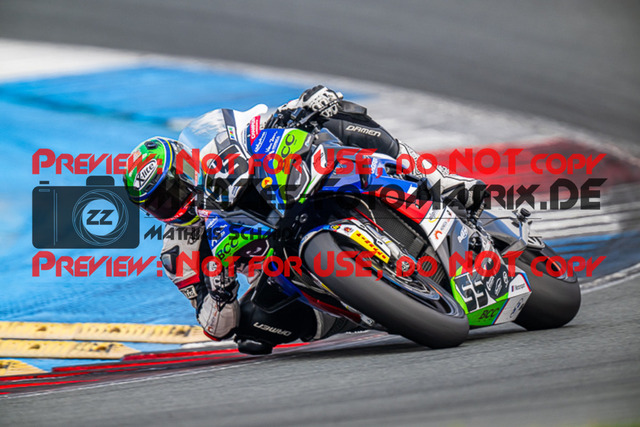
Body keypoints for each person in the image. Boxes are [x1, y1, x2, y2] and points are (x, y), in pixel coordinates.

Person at [123, 86, 485, 354]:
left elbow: (259, 125)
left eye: (174, 188)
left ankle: (438, 179)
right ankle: (363, 306)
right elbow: (214, 327)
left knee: (340, 118)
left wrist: (303, 106)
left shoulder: (217, 155)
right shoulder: (178, 250)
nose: (175, 203)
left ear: (186, 166)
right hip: (278, 270)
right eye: (160, 204)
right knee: (249, 332)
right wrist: (220, 291)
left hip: (291, 191)